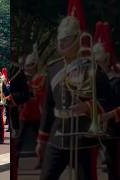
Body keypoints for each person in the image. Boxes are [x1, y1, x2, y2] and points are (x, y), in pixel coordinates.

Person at [36, 15, 113, 180]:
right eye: (60, 39)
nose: (62, 43)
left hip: (83, 136)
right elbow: (48, 108)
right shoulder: (53, 69)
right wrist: (41, 139)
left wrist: (88, 107)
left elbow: (109, 102)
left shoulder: (92, 68)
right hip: (58, 135)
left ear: (78, 39)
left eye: (67, 39)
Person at [93, 21, 120, 180]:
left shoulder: (117, 80)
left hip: (116, 130)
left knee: (115, 169)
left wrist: (107, 116)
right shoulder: (97, 81)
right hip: (103, 131)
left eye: (99, 61)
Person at [17, 44, 46, 169]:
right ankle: (15, 162)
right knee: (19, 140)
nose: (28, 68)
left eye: (30, 66)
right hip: (26, 114)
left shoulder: (41, 78)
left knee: (40, 140)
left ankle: (42, 161)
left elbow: (40, 95)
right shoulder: (23, 79)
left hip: (38, 114)